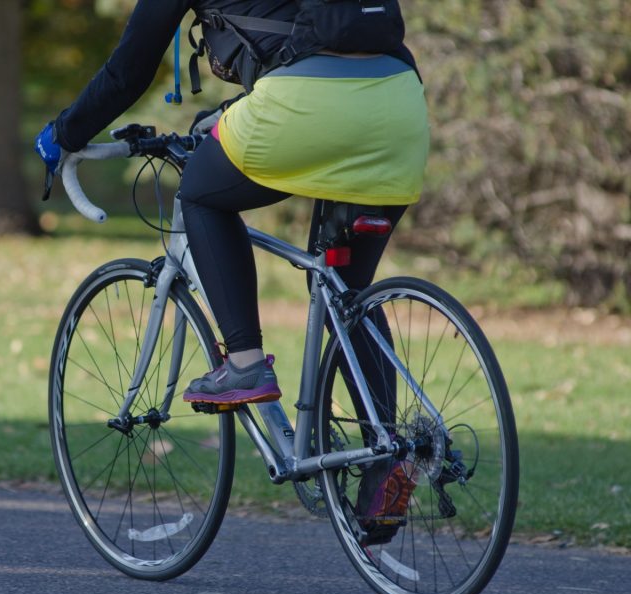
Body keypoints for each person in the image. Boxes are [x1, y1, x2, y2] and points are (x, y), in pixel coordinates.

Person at [35, 1, 429, 416]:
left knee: (201, 194)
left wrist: (63, 134)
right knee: (349, 294)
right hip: (400, 105)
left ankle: (244, 363)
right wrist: (232, 112)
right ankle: (386, 454)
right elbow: (295, 39)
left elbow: (128, 71)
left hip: (305, 108)